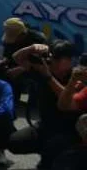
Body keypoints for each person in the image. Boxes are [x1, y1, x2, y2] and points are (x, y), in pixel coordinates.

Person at [8, 41, 81, 169]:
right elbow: (16, 58)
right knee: (15, 142)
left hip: (70, 129)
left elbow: (67, 101)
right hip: (46, 124)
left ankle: (53, 159)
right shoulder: (43, 69)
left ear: (71, 60)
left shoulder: (77, 76)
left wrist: (48, 77)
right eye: (53, 57)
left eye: (59, 59)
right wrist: (31, 48)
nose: (54, 61)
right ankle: (49, 156)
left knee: (54, 146)